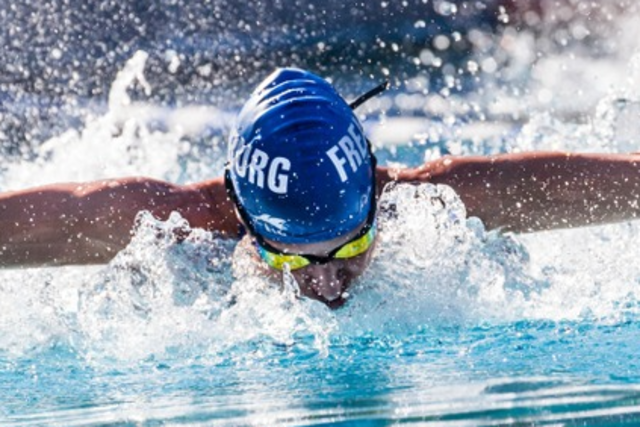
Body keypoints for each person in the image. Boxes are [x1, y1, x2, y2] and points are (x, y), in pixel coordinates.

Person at [3, 67, 640, 308]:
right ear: (246, 219)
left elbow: (587, 183)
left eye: (351, 248)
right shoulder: (171, 227)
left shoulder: (423, 205)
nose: (329, 287)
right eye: (289, 259)